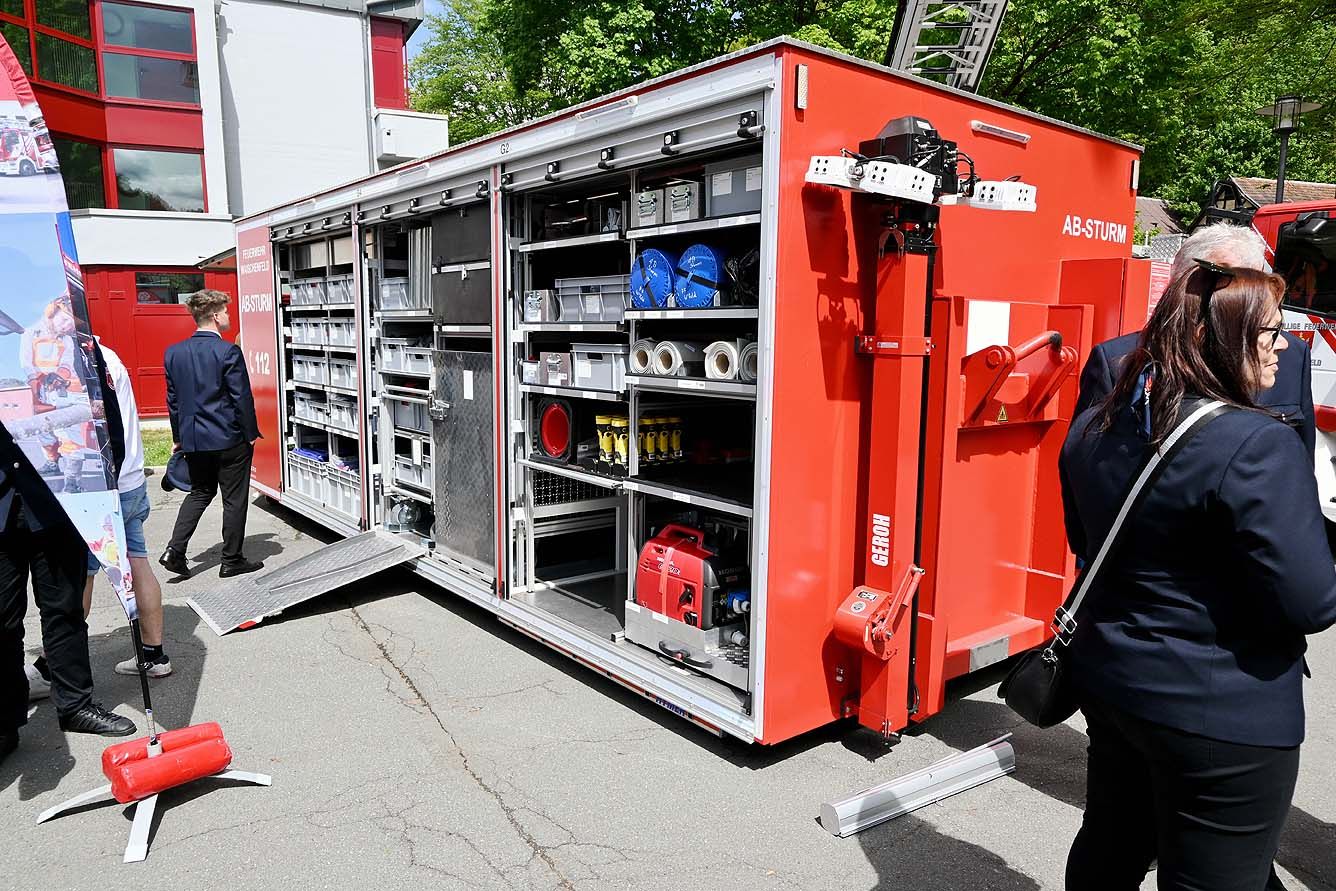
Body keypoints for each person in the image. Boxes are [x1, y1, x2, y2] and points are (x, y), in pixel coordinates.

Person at [1058, 261, 1336, 889]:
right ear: (1226, 340)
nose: (1283, 347)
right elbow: (1313, 601)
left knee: (1110, 844)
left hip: (1111, 681)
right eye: (1271, 333)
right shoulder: (1255, 443)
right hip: (1219, 711)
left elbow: (1084, 542)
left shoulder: (1098, 424)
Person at [1075, 221, 1314, 457]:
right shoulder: (1119, 361)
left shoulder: (1291, 355)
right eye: (1221, 290)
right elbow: (1088, 461)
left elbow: (1302, 457)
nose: (1237, 302)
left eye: (1250, 288)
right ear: (1179, 285)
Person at [26, 339, 172, 701]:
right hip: (130, 477)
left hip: (99, 483)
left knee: (82, 574)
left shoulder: (75, 359)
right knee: (137, 561)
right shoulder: (109, 356)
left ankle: (53, 667)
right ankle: (154, 654)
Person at [1, 433, 137, 764]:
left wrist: (101, 485)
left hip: (58, 502)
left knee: (65, 611)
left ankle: (76, 705)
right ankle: (4, 721)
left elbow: (104, 424)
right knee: (2, 621)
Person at [160, 290, 263, 579]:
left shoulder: (173, 353)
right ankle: (231, 560)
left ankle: (174, 551)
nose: (229, 316)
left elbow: (173, 401)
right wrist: (250, 433)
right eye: (226, 312)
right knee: (234, 499)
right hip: (229, 438)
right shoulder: (228, 351)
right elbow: (241, 397)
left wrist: (178, 437)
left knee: (200, 492)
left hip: (194, 439)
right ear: (216, 316)